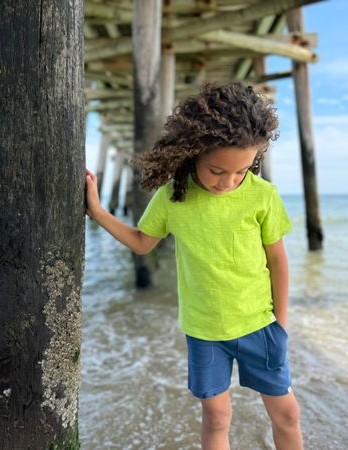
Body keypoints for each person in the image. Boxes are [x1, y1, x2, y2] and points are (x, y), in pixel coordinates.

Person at [85, 82, 302, 450]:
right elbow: (142, 242)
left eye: (240, 172)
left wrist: (280, 324)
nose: (228, 182)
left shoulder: (263, 195)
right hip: (205, 332)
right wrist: (98, 211)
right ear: (193, 153)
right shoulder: (173, 196)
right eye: (217, 170)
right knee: (217, 418)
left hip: (260, 326)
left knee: (288, 414)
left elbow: (277, 261)